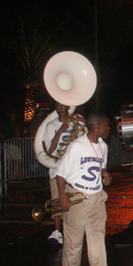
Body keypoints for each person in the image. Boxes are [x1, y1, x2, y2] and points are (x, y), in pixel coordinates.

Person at [55, 112, 112, 266]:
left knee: (97, 240)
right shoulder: (77, 146)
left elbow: (101, 167)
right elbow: (61, 174)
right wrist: (62, 196)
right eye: (107, 125)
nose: (109, 128)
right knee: (74, 241)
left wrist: (106, 176)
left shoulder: (103, 146)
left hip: (96, 197)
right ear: (97, 127)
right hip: (77, 196)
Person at [43, 103, 85, 244]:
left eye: (63, 106)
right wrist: (60, 131)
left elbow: (83, 140)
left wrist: (81, 122)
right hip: (56, 168)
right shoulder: (51, 126)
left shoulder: (75, 123)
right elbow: (49, 150)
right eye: (58, 107)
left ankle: (71, 231)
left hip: (73, 169)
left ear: (69, 108)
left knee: (72, 201)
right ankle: (56, 231)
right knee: (57, 200)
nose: (61, 109)